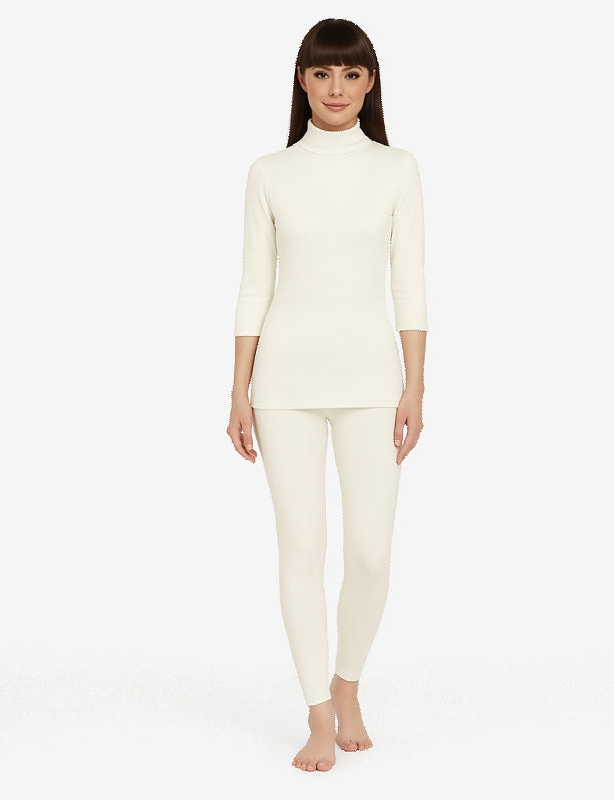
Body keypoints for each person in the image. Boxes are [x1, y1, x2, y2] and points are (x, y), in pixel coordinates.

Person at [226, 18, 428, 772]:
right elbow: (255, 285)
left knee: (371, 553)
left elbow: (410, 283)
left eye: (351, 74)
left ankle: (348, 684)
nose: (336, 88)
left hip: (373, 383)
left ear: (370, 82)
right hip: (283, 386)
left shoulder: (397, 168)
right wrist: (239, 391)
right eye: (322, 73)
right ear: (302, 80)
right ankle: (317, 712)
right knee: (302, 547)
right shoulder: (269, 173)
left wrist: (415, 385)